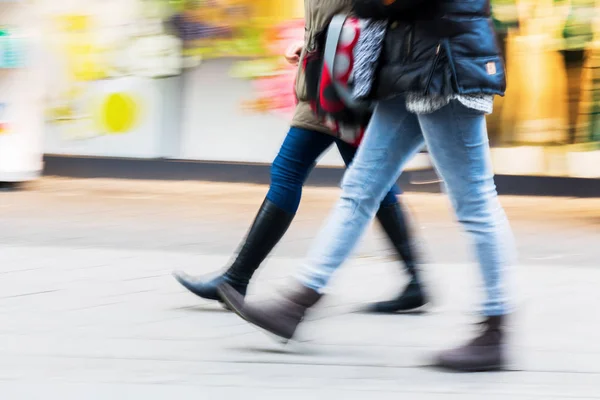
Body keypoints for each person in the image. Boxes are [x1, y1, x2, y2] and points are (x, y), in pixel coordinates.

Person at [218, 0, 516, 372]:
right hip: (410, 65)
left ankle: (494, 333)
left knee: (475, 202)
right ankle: (295, 304)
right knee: (359, 190)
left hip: (444, 66)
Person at [173, 0, 428, 314]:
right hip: (327, 84)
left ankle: (237, 278)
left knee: (292, 172)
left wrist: (323, 46)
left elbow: (372, 18)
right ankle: (416, 281)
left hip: (339, 89)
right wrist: (307, 42)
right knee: (373, 183)